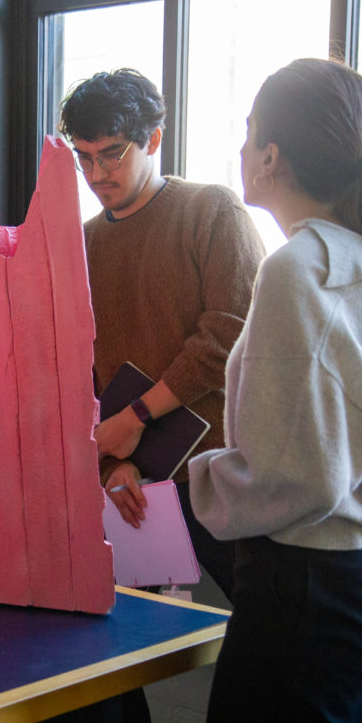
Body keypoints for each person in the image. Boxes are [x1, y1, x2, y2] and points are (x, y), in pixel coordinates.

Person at [189, 58, 362, 723]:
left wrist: (199, 483)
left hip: (305, 587)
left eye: (250, 135)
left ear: (272, 156)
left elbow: (290, 476)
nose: (242, 150)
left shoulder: (296, 268)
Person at [60, 69, 265, 602]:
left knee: (272, 632)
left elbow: (230, 336)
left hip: (221, 470)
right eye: (83, 156)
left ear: (153, 139)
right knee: (119, 641)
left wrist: (136, 417)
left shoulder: (211, 211)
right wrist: (113, 460)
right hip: (138, 482)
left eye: (111, 153)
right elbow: (80, 366)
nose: (96, 172)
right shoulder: (79, 244)